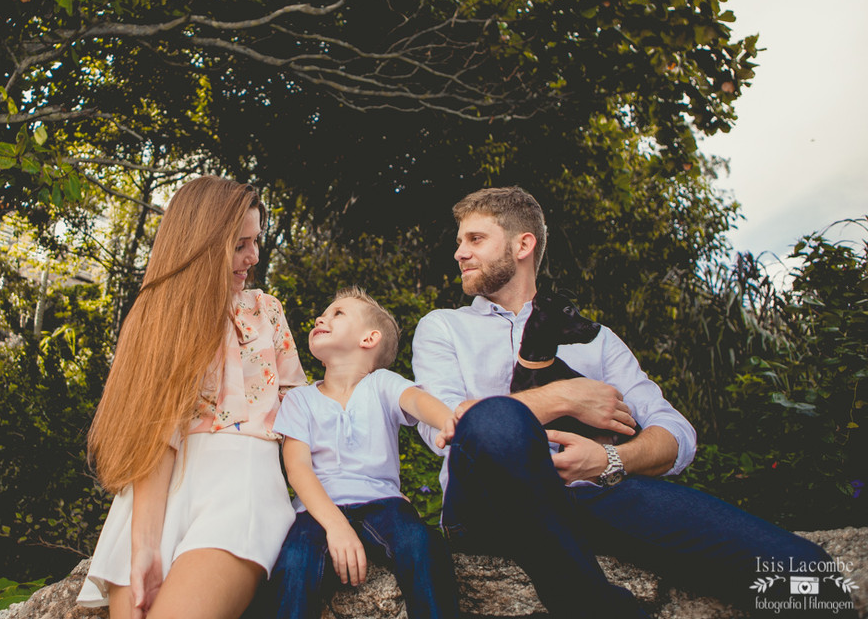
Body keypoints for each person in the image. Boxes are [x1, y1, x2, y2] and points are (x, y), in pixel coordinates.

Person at [412, 186, 849, 619]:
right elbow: (449, 428)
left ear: (522, 244)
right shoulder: (444, 327)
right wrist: (565, 395)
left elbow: (676, 434)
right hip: (486, 508)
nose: (459, 253)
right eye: (459, 242)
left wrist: (609, 459)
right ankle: (594, 607)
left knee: (808, 576)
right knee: (495, 420)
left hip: (590, 496)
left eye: (474, 239)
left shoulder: (595, 339)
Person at [78, 176, 308, 619]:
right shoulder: (158, 313)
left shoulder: (266, 310)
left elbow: (300, 413)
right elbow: (155, 434)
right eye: (241, 244)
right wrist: (143, 545)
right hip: (156, 494)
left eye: (256, 241)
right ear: (203, 243)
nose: (254, 256)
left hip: (243, 482)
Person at [266, 287, 460, 619]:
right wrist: (336, 526)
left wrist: (450, 421)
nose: (321, 317)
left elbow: (415, 400)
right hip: (316, 511)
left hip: (383, 503)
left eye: (337, 313)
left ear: (369, 339)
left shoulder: (382, 384)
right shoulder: (300, 399)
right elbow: (297, 469)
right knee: (294, 561)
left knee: (422, 544)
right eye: (324, 313)